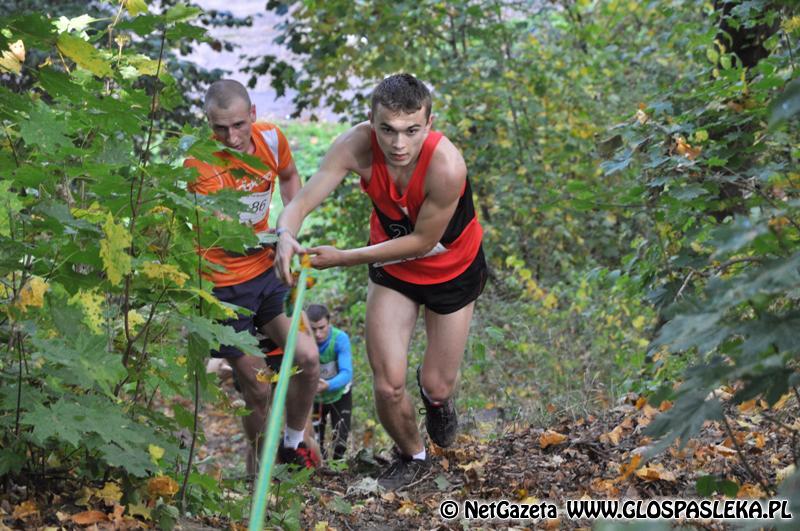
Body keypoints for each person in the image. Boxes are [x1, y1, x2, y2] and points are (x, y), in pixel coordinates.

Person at [274, 74, 487, 489]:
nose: (398, 144)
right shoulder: (355, 145)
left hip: (452, 269)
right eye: (387, 129)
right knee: (388, 385)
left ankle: (437, 402)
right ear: (371, 121)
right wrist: (284, 234)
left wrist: (344, 258)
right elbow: (301, 202)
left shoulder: (447, 166)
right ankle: (414, 457)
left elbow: (422, 242)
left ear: (429, 124)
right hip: (394, 270)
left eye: (411, 131)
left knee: (437, 384)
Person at [185, 79, 321, 474]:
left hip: (265, 273)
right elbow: (228, 235)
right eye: (220, 128)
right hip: (222, 288)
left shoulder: (272, 140)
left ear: (254, 115)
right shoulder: (200, 163)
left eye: (239, 125)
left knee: (309, 359)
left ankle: (292, 444)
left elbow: (290, 177)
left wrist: (290, 227)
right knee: (259, 389)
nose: (231, 137)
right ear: (208, 124)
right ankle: (261, 475)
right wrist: (278, 239)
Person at [307, 304, 353, 460]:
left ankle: (338, 468)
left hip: (340, 394)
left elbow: (347, 373)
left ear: (329, 323)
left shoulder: (340, 339)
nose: (318, 334)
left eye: (322, 328)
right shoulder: (303, 340)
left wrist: (328, 385)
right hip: (315, 398)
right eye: (313, 329)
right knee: (316, 441)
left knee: (340, 441)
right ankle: (322, 467)